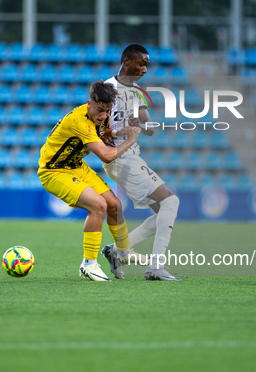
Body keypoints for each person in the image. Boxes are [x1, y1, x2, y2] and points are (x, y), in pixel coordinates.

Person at [38, 80, 141, 281]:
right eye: (100, 111)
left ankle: (122, 253)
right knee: (98, 206)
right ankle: (88, 264)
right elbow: (107, 156)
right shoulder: (79, 121)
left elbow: (100, 131)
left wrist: (114, 133)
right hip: (54, 171)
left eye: (107, 111)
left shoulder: (100, 115)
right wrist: (130, 139)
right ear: (89, 103)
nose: (103, 116)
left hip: (76, 166)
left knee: (114, 205)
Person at [100, 44, 182, 281]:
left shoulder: (136, 92)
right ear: (127, 61)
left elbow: (150, 129)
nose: (145, 69)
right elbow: (97, 130)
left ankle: (117, 251)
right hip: (119, 156)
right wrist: (121, 131)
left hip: (131, 155)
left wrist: (142, 125)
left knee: (163, 211)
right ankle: (155, 267)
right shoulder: (108, 89)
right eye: (142, 63)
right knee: (171, 201)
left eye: (147, 64)